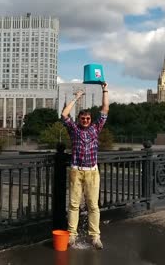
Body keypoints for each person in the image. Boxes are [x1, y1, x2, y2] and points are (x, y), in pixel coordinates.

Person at [61, 82, 109, 249]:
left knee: (93, 205)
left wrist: (105, 89)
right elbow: (65, 114)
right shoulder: (74, 129)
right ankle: (72, 235)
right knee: (74, 204)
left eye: (88, 118)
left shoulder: (96, 128)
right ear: (79, 119)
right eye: (83, 118)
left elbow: (105, 110)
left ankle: (95, 236)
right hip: (76, 171)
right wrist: (76, 98)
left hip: (92, 172)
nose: (86, 120)